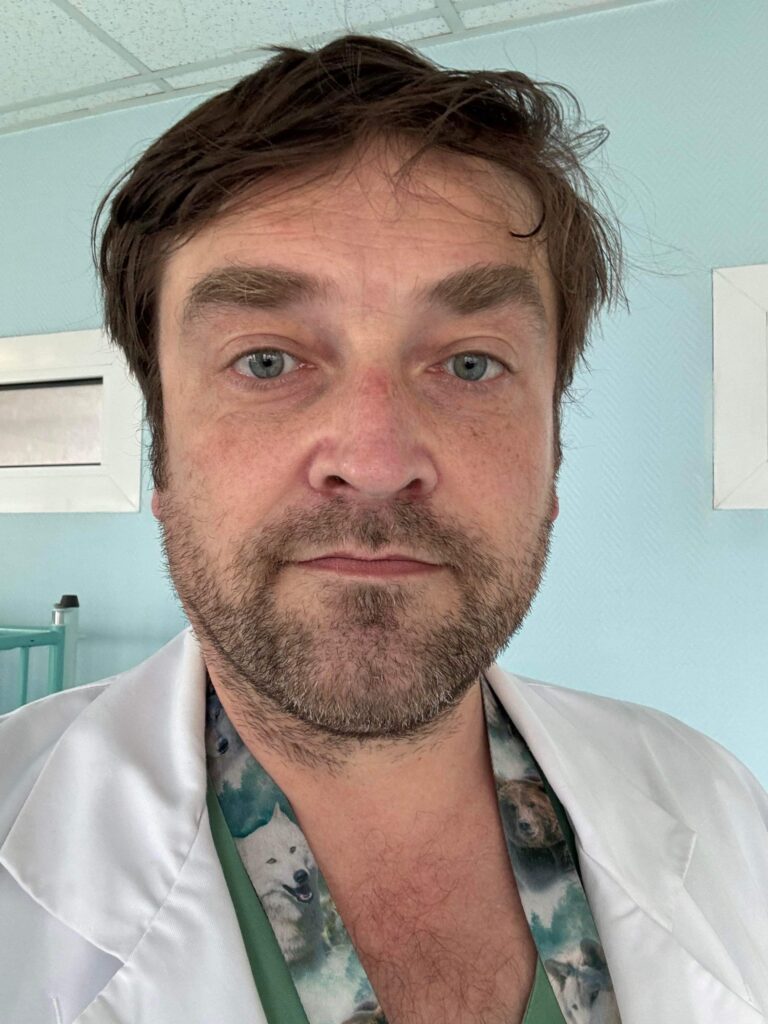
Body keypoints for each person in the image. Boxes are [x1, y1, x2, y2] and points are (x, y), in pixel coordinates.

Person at [0, 34, 765, 1024]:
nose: (374, 457)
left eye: (472, 363)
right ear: (163, 459)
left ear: (553, 453)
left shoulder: (717, 805)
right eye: (266, 361)